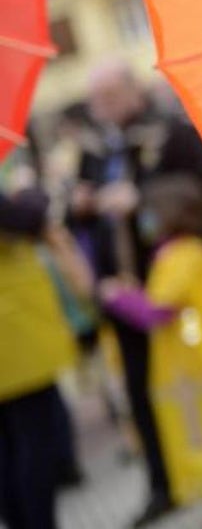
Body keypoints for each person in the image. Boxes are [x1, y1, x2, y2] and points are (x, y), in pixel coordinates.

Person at [68, 58, 202, 527]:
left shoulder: (170, 132)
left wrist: (143, 198)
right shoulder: (94, 151)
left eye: (111, 97)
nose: (103, 108)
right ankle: (163, 484)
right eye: (97, 101)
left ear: (133, 91)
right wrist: (82, 205)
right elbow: (75, 213)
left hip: (178, 288)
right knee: (141, 391)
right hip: (124, 294)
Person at [100, 174, 202, 522]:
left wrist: (118, 296)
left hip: (197, 364)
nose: (143, 219)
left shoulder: (178, 256)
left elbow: (157, 309)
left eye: (148, 212)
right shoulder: (193, 249)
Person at [0, 188, 77, 529]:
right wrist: (35, 196)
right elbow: (24, 218)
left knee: (7, 451)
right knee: (33, 447)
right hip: (16, 345)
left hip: (15, 347)